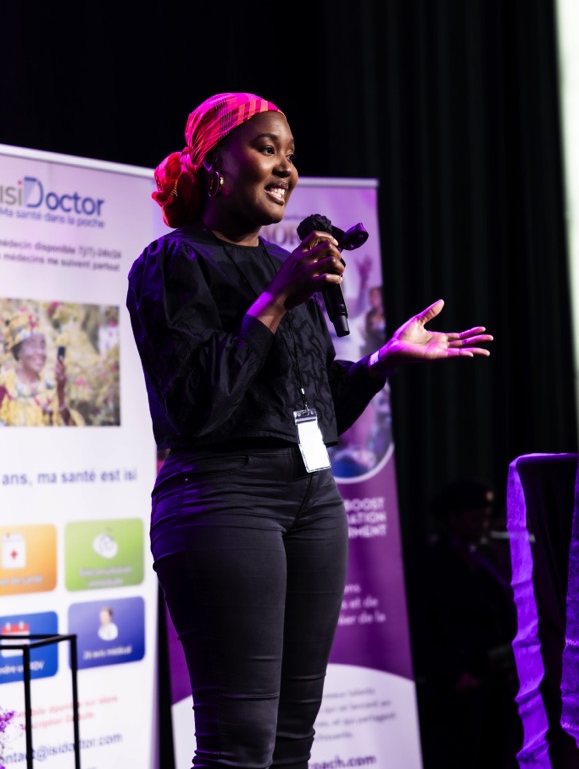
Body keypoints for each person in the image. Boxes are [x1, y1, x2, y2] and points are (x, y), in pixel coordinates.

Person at [125, 91, 494, 769]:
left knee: (294, 739)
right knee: (239, 744)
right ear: (213, 167)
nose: (286, 168)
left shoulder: (284, 268)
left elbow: (318, 409)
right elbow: (196, 406)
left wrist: (383, 360)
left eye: (291, 154)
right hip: (223, 497)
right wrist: (275, 301)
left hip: (313, 498)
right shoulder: (174, 261)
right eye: (267, 149)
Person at [413, 477, 522, 769]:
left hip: (495, 675)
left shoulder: (485, 553)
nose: (484, 525)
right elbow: (424, 626)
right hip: (459, 682)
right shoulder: (433, 560)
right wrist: (452, 673)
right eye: (476, 519)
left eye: (486, 518)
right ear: (454, 518)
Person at [0, 308, 80, 426]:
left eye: (42, 345)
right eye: (32, 345)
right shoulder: (5, 385)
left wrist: (60, 393)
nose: (40, 352)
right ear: (18, 352)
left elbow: (70, 428)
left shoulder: (51, 385)